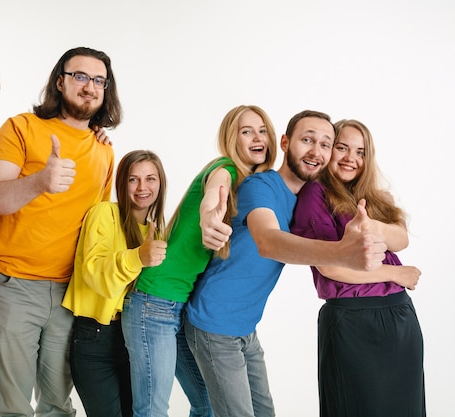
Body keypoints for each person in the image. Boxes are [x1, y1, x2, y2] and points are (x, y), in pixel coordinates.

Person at [184, 110, 389, 417]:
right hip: (214, 323)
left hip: (246, 328)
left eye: (325, 144)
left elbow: (396, 234)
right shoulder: (260, 186)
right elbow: (268, 241)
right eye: (307, 140)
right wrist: (341, 253)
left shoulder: (312, 197)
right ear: (284, 142)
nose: (315, 151)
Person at [0, 46, 122, 417]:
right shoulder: (21, 127)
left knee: (59, 404)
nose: (89, 86)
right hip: (13, 285)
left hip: (69, 293)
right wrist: (40, 181)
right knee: (11, 407)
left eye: (99, 80)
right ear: (60, 82)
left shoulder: (104, 151)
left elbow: (97, 228)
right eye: (80, 76)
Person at [121, 105, 278, 417]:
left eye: (262, 130)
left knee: (207, 403)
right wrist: (209, 217)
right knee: (151, 409)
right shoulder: (225, 169)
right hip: (154, 302)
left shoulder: (253, 187)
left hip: (185, 309)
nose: (256, 137)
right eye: (246, 131)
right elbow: (213, 194)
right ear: (231, 138)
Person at [290, 119, 425, 417]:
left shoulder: (376, 198)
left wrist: (371, 223)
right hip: (351, 322)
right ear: (329, 150)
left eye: (360, 151)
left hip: (400, 318)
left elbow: (400, 239)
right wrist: (394, 273)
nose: (352, 158)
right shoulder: (316, 194)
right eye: (342, 148)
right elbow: (329, 267)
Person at [62, 150, 168, 417]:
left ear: (160, 183)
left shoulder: (158, 231)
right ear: (122, 183)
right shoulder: (104, 214)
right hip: (96, 338)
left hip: (137, 339)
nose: (142, 187)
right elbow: (93, 272)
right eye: (133, 179)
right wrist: (138, 257)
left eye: (150, 179)